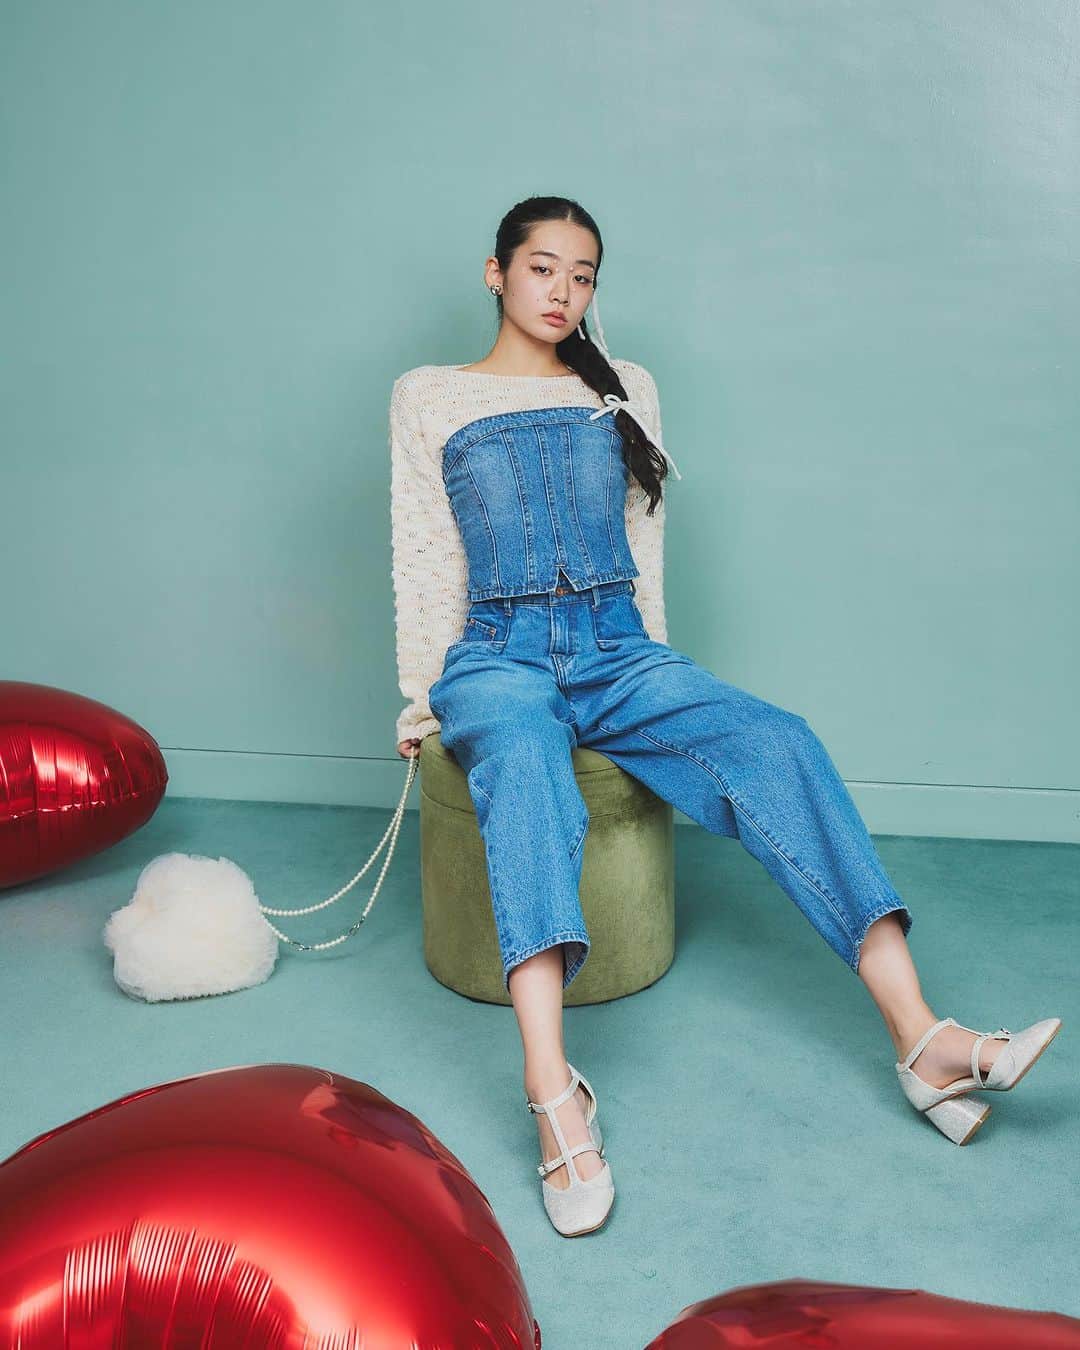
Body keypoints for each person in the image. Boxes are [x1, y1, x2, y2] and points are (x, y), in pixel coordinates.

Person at [388, 195, 1061, 1238]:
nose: (562, 292)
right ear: (496, 272)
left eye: (583, 275)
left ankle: (923, 1039)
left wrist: (656, 673)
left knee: (777, 742)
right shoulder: (430, 394)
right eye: (542, 268)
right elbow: (427, 548)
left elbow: (643, 545)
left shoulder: (624, 386)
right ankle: (553, 1093)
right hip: (497, 656)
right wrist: (417, 695)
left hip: (616, 648)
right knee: (523, 766)